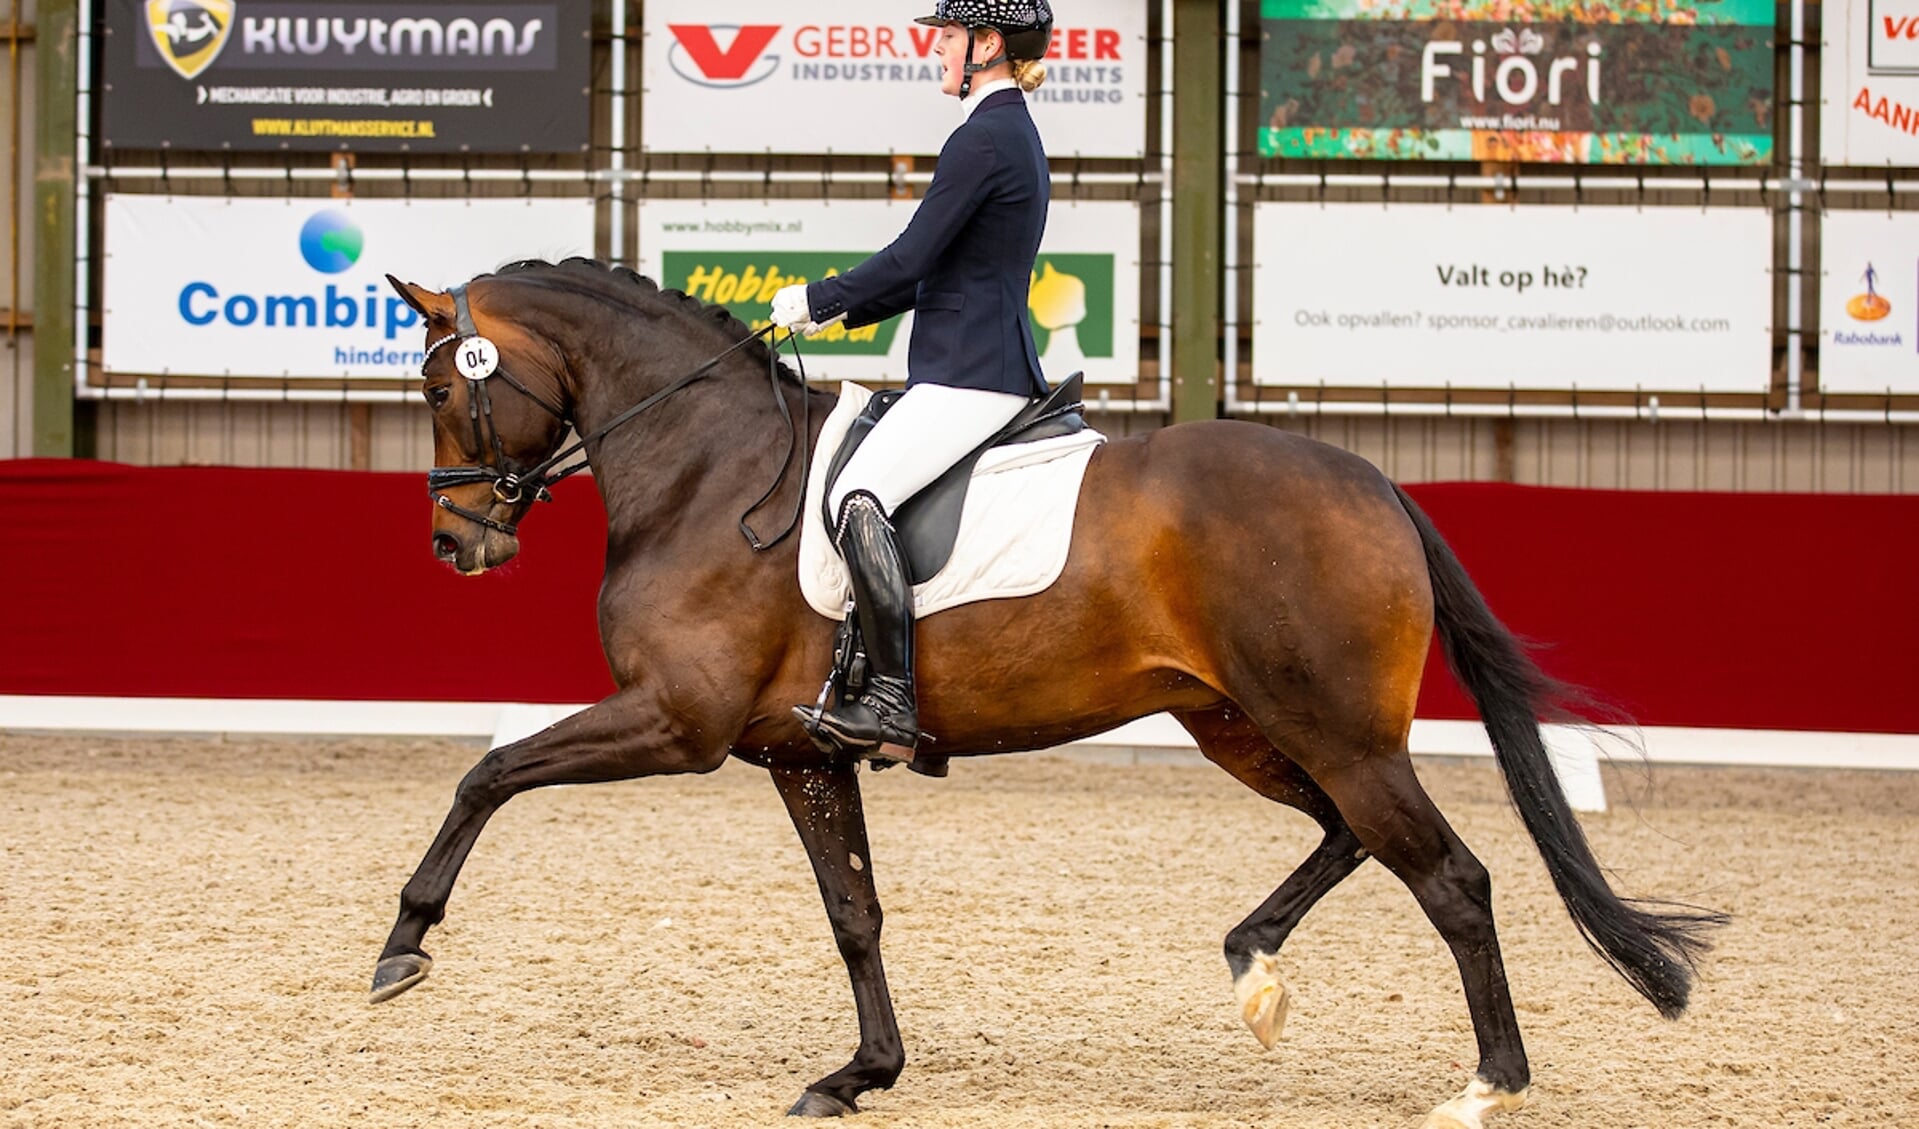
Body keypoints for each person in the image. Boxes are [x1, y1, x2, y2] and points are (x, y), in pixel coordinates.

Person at [771, 0, 1056, 766]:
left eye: (950, 38)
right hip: (974, 361)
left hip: (971, 373)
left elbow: (910, 255)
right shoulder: (1006, 132)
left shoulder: (984, 137)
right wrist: (834, 318)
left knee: (855, 495)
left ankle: (892, 698)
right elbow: (936, 274)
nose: (938, 50)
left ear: (988, 45)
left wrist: (817, 297)